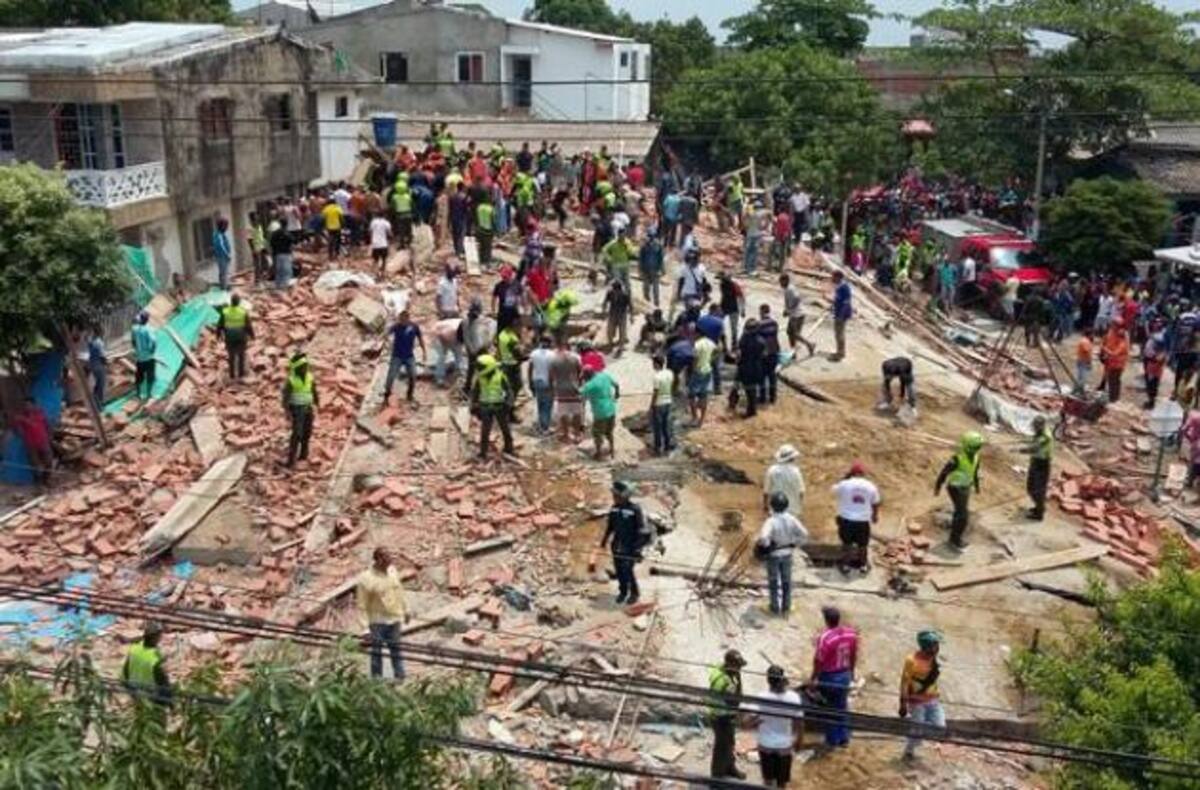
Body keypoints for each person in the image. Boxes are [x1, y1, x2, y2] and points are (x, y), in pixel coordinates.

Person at [356, 547, 410, 681]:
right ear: (378, 560)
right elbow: (361, 604)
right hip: (377, 622)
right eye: (386, 559)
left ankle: (400, 678)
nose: (389, 562)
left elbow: (399, 592)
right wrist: (365, 628)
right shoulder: (366, 578)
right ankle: (377, 681)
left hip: (394, 619)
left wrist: (406, 609)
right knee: (376, 653)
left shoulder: (392, 571)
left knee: (396, 650)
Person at [749, 665, 803, 788]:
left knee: (768, 780)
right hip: (784, 745)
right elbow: (799, 723)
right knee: (782, 782)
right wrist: (799, 740)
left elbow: (747, 722)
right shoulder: (793, 697)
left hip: (766, 744)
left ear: (768, 680)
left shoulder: (761, 697)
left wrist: (756, 722)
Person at [811, 606, 858, 749]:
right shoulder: (851, 634)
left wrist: (813, 678)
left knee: (829, 708)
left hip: (829, 677)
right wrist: (852, 672)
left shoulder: (825, 638)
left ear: (826, 620)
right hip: (844, 674)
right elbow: (853, 655)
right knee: (842, 706)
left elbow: (818, 660)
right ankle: (844, 738)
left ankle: (832, 741)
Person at [758, 493, 809, 615]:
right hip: (787, 554)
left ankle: (774, 607)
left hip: (774, 555)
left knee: (773, 581)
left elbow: (764, 537)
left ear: (772, 506)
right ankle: (787, 606)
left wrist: (767, 546)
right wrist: (795, 543)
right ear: (786, 505)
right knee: (787, 581)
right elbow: (804, 534)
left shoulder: (771, 521)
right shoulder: (792, 519)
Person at [600, 480, 649, 605]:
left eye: (617, 496)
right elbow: (610, 526)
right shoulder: (614, 509)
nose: (614, 498)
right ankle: (623, 592)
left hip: (630, 546)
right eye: (614, 495)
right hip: (617, 545)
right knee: (619, 570)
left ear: (625, 496)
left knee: (628, 570)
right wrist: (604, 540)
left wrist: (638, 549)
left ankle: (634, 593)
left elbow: (642, 530)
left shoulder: (635, 509)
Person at [900, 630, 945, 761]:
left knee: (940, 727)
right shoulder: (911, 661)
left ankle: (919, 734)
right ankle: (909, 751)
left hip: (933, 699)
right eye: (935, 645)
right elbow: (904, 682)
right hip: (917, 702)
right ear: (927, 647)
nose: (938, 648)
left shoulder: (933, 658)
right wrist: (903, 704)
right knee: (917, 730)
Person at [934, 431, 984, 550]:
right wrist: (938, 486)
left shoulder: (976, 457)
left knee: (960, 512)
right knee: (963, 516)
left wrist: (977, 486)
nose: (976, 450)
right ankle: (954, 540)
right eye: (975, 447)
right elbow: (944, 473)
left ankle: (955, 532)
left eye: (978, 447)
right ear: (967, 446)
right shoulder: (957, 459)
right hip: (955, 488)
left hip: (966, 487)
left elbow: (975, 473)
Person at [833, 461, 881, 574]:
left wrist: (845, 478)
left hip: (847, 519)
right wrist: (874, 516)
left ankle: (846, 566)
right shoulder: (870, 486)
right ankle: (863, 565)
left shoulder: (844, 484)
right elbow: (876, 502)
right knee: (863, 544)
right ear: (863, 474)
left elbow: (834, 490)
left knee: (847, 544)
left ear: (851, 473)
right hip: (863, 520)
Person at [708, 649, 747, 780]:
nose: (739, 670)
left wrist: (737, 675)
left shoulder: (724, 670)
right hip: (721, 718)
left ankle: (730, 768)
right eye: (738, 667)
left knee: (729, 743)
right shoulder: (724, 682)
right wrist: (739, 680)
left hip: (724, 715)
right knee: (722, 747)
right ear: (730, 665)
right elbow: (736, 701)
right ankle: (717, 776)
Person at [471, 354, 515, 460]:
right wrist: (474, 405)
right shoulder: (480, 378)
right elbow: (475, 392)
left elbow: (509, 391)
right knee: (485, 431)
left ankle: (509, 448)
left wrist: (508, 404)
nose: (479, 369)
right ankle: (483, 452)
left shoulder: (500, 376)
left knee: (505, 428)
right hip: (485, 407)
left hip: (500, 406)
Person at [282, 351, 318, 467]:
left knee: (307, 432)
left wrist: (317, 402)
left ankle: (303, 454)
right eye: (303, 367)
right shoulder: (291, 380)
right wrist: (287, 411)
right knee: (297, 434)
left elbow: (314, 390)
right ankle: (291, 460)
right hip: (297, 410)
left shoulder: (309, 377)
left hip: (308, 408)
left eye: (306, 366)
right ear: (297, 369)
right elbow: (286, 397)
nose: (305, 368)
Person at [122, 621, 171, 704]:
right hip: (149, 695)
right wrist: (171, 703)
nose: (161, 637)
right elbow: (163, 683)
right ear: (155, 638)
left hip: (134, 690)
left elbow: (125, 670)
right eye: (160, 635)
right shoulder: (154, 661)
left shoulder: (134, 648)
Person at [384, 310, 426, 404]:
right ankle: (387, 393)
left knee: (413, 375)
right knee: (391, 376)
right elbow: (387, 333)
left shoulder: (414, 327)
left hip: (409, 356)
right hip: (397, 356)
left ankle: (410, 395)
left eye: (403, 320)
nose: (402, 322)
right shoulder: (396, 326)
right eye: (400, 320)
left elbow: (420, 339)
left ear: (408, 319)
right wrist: (387, 341)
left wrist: (424, 352)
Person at [580, 366, 620, 460]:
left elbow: (580, 395)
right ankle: (612, 451)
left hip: (600, 413)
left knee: (597, 433)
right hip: (611, 409)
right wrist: (617, 394)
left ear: (587, 376)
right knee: (609, 432)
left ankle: (599, 453)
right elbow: (616, 385)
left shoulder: (589, 385)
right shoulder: (604, 376)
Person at [551, 337, 585, 443]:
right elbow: (581, 373)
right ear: (567, 346)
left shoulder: (554, 359)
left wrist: (554, 387)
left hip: (561, 389)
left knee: (563, 412)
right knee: (576, 412)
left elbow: (552, 375)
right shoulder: (576, 357)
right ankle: (577, 434)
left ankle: (566, 435)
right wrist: (579, 384)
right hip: (574, 388)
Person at [12, 397, 52, 487]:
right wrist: (17, 423)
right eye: (25, 405)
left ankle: (47, 479)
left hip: (43, 441)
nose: (27, 407)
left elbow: (43, 424)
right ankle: (38, 483)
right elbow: (17, 431)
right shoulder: (22, 416)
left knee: (48, 461)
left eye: (29, 405)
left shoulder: (39, 413)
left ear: (34, 405)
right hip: (31, 444)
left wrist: (49, 436)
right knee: (35, 464)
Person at [216, 293, 254, 382]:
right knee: (241, 355)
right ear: (239, 302)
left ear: (231, 302)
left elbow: (220, 325)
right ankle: (241, 374)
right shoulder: (243, 312)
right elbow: (248, 325)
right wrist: (252, 335)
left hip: (229, 337)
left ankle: (232, 375)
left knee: (231, 356)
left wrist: (218, 335)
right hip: (241, 337)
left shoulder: (225, 311)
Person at [1022, 415, 1053, 521]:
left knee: (1037, 490)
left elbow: (1034, 448)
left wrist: (1020, 450)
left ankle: (1039, 513)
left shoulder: (1045, 437)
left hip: (1042, 465)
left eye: (1036, 426)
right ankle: (1039, 507)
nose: (1034, 428)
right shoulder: (1040, 433)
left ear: (1041, 426)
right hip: (1035, 462)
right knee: (1030, 487)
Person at [763, 444, 805, 519]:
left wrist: (766, 506)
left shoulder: (772, 470)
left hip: (775, 511)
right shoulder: (796, 471)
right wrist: (799, 507)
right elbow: (801, 492)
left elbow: (766, 492)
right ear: (792, 458)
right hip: (793, 511)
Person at [733, 318, 764, 417]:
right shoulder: (761, 340)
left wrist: (737, 361)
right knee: (752, 389)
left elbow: (738, 354)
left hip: (745, 366)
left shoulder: (744, 340)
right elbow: (764, 354)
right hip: (756, 366)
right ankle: (751, 409)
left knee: (740, 386)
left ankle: (749, 410)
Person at [781, 274, 815, 356]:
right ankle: (794, 351)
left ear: (785, 281)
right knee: (791, 333)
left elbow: (797, 299)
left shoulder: (790, 289)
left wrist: (789, 310)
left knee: (794, 334)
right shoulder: (788, 289)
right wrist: (787, 310)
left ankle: (809, 344)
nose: (780, 284)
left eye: (781, 282)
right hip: (795, 314)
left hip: (797, 315)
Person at [528, 335, 555, 435]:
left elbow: (530, 369)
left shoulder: (534, 353)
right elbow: (552, 370)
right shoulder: (552, 354)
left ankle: (542, 425)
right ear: (549, 343)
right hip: (547, 382)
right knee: (547, 406)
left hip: (537, 381)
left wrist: (530, 382)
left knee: (540, 404)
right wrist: (552, 384)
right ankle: (545, 428)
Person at [496, 322, 523, 420]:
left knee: (506, 388)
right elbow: (517, 353)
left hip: (504, 364)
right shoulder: (512, 337)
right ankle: (509, 412)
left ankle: (506, 411)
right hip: (513, 366)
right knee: (516, 387)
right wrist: (524, 357)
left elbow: (499, 351)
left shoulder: (501, 335)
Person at [690, 327, 717, 427]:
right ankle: (702, 419)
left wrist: (693, 369)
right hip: (708, 370)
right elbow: (718, 350)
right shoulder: (710, 342)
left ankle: (694, 418)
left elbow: (695, 359)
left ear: (698, 334)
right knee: (703, 395)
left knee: (692, 395)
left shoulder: (697, 344)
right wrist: (711, 359)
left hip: (698, 371)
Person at [1099, 323, 1130, 403]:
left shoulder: (1122, 343)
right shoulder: (1112, 334)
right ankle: (1113, 397)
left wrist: (1104, 349)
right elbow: (1106, 340)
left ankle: (1114, 398)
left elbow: (1115, 353)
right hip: (1111, 362)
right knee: (1112, 380)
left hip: (1117, 364)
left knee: (1114, 381)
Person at [757, 304, 781, 406]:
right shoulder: (774, 323)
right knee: (772, 375)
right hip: (774, 351)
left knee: (762, 376)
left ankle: (762, 397)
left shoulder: (759, 324)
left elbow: (758, 339)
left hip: (764, 353)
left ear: (762, 311)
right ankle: (772, 397)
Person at [650, 355, 674, 455]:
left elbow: (656, 392)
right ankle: (667, 446)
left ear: (656, 364)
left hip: (659, 403)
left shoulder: (657, 377)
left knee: (657, 427)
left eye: (653, 363)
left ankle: (658, 448)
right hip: (668, 401)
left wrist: (652, 405)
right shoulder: (669, 373)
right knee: (666, 425)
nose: (652, 365)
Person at [131, 310, 157, 401]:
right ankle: (149, 395)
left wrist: (137, 350)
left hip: (139, 358)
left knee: (139, 376)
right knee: (150, 376)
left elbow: (133, 342)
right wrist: (152, 352)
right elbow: (153, 342)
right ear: (147, 319)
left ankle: (138, 395)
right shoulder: (149, 329)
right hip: (149, 357)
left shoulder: (134, 329)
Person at [638, 227, 665, 307]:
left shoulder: (658, 245)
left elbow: (661, 258)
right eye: (649, 236)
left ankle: (656, 303)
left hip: (655, 269)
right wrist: (640, 269)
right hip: (645, 269)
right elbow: (641, 258)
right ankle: (647, 302)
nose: (650, 238)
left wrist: (662, 269)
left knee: (655, 288)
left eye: (652, 236)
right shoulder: (644, 245)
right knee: (646, 287)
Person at [602, 278, 632, 351]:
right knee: (619, 330)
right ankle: (617, 345)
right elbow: (631, 305)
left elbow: (604, 303)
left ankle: (614, 344)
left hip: (616, 314)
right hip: (619, 314)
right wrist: (632, 316)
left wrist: (603, 311)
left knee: (615, 330)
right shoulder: (623, 293)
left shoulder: (614, 293)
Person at [1142, 329, 1167, 409]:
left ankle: (1151, 402)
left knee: (1152, 384)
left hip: (1154, 367)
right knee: (1152, 384)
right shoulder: (1156, 340)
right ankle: (1151, 400)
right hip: (1153, 366)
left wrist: (1155, 358)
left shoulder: (1158, 345)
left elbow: (1156, 357)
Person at [831, 271, 852, 361]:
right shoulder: (839, 286)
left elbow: (846, 302)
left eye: (833, 277)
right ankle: (839, 351)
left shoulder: (844, 286)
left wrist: (841, 315)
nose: (832, 278)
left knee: (840, 333)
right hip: (838, 312)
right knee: (838, 333)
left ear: (838, 277)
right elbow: (838, 299)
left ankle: (840, 353)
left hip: (842, 314)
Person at [269, 214, 294, 289]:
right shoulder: (288, 234)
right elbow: (292, 243)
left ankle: (278, 286)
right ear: (286, 224)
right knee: (286, 271)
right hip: (286, 254)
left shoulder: (275, 234)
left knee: (279, 271)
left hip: (278, 254)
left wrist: (273, 254)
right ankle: (284, 287)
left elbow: (272, 244)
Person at [212, 216, 233, 290]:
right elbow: (221, 246)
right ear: (222, 226)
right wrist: (227, 255)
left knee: (223, 272)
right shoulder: (218, 235)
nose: (227, 228)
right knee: (224, 272)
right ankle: (224, 287)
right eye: (226, 226)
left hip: (222, 256)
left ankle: (224, 286)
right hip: (222, 256)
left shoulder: (220, 234)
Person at [475, 196, 495, 267]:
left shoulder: (479, 207)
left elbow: (476, 218)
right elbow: (492, 220)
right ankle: (487, 262)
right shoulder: (491, 209)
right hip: (488, 230)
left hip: (480, 229)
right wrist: (495, 230)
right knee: (488, 246)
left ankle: (481, 260)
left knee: (482, 245)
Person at [1074, 329, 1094, 395]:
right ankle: (1078, 390)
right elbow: (1086, 351)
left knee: (1079, 377)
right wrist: (1089, 362)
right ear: (1090, 334)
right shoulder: (1086, 342)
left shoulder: (1083, 340)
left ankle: (1078, 390)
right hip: (1084, 361)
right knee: (1083, 377)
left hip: (1080, 360)